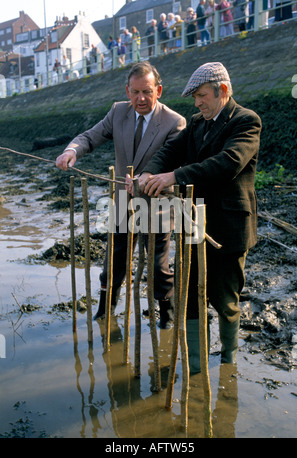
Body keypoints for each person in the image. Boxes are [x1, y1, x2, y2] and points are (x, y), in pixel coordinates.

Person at [128, 62, 261, 372]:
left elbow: (226, 164)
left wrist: (173, 177)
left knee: (225, 298)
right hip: (193, 223)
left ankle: (228, 359)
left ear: (223, 91)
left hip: (229, 227)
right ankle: (196, 366)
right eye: (195, 98)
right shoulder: (197, 124)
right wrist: (149, 172)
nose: (198, 103)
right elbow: (171, 150)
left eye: (202, 96)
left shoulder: (246, 122)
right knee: (188, 295)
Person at [55, 61, 186, 328]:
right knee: (114, 260)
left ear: (158, 90)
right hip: (123, 202)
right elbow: (91, 136)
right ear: (127, 91)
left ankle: (168, 319)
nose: (141, 98)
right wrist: (72, 151)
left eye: (147, 92)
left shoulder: (174, 122)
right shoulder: (117, 112)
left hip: (158, 203)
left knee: (159, 266)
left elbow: (169, 159)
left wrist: (144, 179)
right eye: (135, 92)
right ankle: (104, 313)